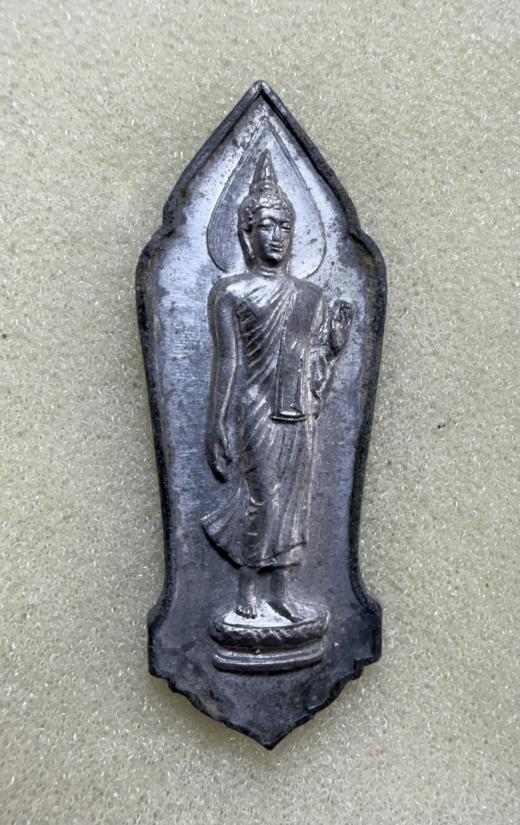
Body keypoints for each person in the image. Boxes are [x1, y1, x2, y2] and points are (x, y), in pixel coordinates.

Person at [202, 150, 352, 621]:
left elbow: (313, 367)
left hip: (298, 411)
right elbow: (227, 361)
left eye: (284, 227)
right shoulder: (231, 293)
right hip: (256, 408)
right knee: (263, 498)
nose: (277, 236)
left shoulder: (310, 296)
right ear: (246, 233)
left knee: (294, 503)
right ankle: (247, 590)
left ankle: (283, 592)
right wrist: (216, 423)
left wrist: (332, 349)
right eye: (266, 226)